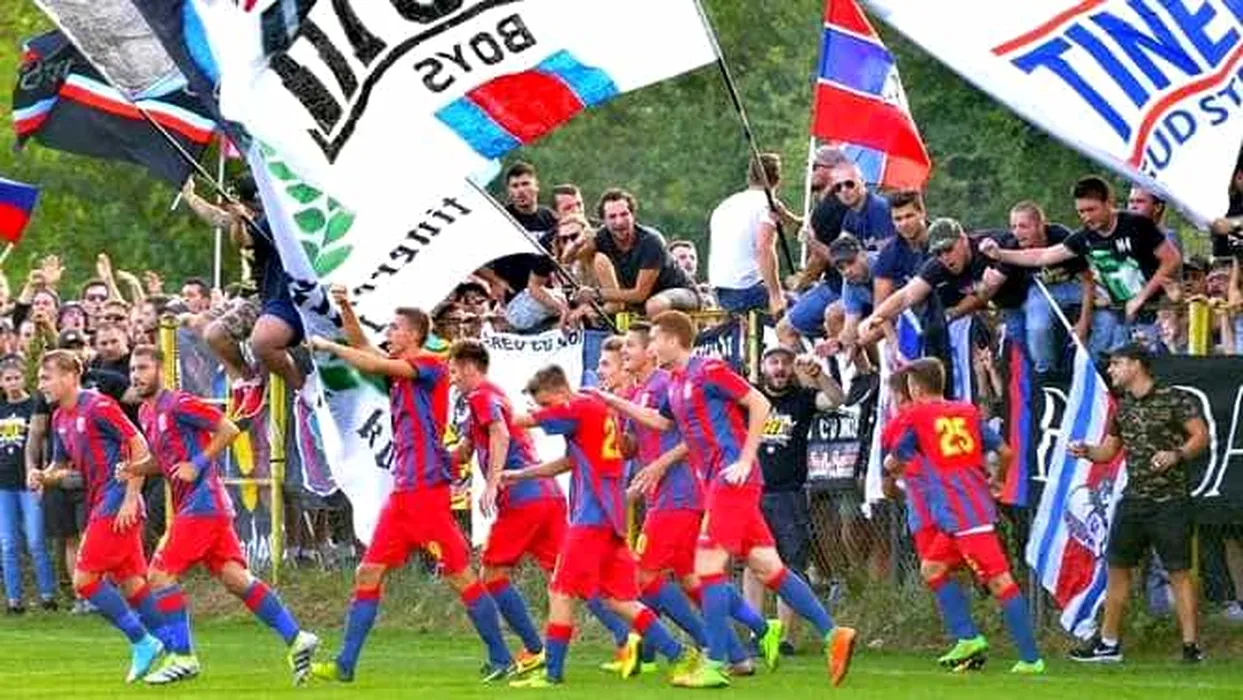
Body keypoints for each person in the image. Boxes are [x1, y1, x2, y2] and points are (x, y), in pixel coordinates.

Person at [597, 311, 857, 688]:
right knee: (769, 568)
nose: (651, 347)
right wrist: (609, 399)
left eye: (653, 339)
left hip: (731, 478)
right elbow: (661, 422)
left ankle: (717, 662)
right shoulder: (676, 382)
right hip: (718, 483)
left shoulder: (709, 370)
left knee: (707, 568)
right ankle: (834, 634)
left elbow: (759, 403)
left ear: (672, 339)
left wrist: (746, 459)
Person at [306, 297, 513, 683]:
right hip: (404, 493)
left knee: (461, 576)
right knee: (368, 573)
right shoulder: (400, 371)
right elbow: (366, 349)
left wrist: (329, 346)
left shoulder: (430, 365)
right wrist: (346, 308)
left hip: (426, 492)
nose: (388, 333)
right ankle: (345, 664)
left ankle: (502, 657)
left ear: (415, 334)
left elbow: (371, 362)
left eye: (395, 327)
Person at [124, 346, 318, 684]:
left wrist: (198, 463)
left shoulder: (179, 403)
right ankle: (297, 637)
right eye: (132, 370)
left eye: (142, 368)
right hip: (200, 507)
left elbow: (228, 429)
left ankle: (183, 657)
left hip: (203, 504)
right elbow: (166, 460)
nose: (136, 376)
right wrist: (135, 468)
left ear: (161, 369)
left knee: (159, 576)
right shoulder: (145, 412)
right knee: (236, 579)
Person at [505, 366, 698, 688]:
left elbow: (520, 420)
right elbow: (570, 462)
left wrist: (490, 407)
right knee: (617, 599)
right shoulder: (592, 412)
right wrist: (521, 474)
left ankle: (552, 674)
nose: (546, 410)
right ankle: (679, 654)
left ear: (560, 392)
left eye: (546, 403)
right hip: (610, 516)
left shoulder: (577, 407)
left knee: (560, 591)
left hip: (591, 518)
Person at [888, 358, 1044, 674]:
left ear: (915, 387)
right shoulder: (967, 411)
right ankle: (968, 638)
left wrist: (892, 468)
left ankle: (1031, 659)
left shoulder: (918, 415)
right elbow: (1006, 452)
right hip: (965, 510)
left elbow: (895, 460)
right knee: (932, 568)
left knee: (1000, 581)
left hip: (964, 515)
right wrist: (998, 480)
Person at [618, 323, 753, 676]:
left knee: (644, 575)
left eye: (631, 345)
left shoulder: (668, 383)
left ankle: (699, 646)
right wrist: (615, 414)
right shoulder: (640, 391)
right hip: (663, 495)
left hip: (679, 493)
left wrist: (660, 464)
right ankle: (737, 654)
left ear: (652, 350)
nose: (623, 352)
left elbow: (691, 436)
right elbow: (631, 446)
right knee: (692, 579)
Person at [26, 351, 166, 683]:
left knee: (84, 581)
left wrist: (131, 498)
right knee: (131, 583)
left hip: (117, 500)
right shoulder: (59, 417)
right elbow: (62, 466)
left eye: (46, 377)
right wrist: (43, 476)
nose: (41, 384)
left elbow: (139, 446)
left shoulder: (99, 406)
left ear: (70, 376)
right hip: (101, 500)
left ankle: (142, 640)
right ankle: (177, 647)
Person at [1068, 343, 1208, 664]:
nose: (1111, 370)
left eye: (1116, 364)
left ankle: (1191, 647)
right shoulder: (1123, 406)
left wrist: (1176, 454)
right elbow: (1108, 451)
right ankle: (1108, 643)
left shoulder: (1173, 398)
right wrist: (1086, 450)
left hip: (1171, 501)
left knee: (1179, 572)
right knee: (1117, 569)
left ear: (1136, 365)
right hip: (1133, 501)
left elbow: (1201, 436)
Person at [446, 339, 569, 676]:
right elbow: (467, 447)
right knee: (568, 576)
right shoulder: (494, 396)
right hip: (547, 494)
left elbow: (499, 435)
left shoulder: (480, 395)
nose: (452, 379)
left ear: (469, 368)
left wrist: (491, 482)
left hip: (522, 496)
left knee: (492, 575)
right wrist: (436, 460)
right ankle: (630, 637)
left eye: (454, 371)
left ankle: (534, 648)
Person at [980, 176, 1182, 353]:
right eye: (1081, 211)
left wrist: (1141, 296)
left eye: (1091, 210)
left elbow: (1172, 259)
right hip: (1120, 313)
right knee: (1104, 361)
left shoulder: (1137, 224)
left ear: (1108, 202)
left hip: (1154, 312)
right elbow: (1041, 256)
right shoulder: (1084, 237)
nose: (1086, 217)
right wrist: (999, 254)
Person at [742, 346, 843, 656]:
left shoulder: (802, 398)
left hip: (790, 494)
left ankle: (785, 638)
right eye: (774, 362)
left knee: (791, 565)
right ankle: (756, 633)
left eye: (786, 363)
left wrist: (819, 375)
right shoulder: (750, 396)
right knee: (753, 564)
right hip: (753, 492)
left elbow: (837, 399)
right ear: (763, 366)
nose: (780, 368)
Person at [184, 176, 306, 422]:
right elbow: (216, 217)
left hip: (265, 295)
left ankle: (254, 380)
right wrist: (190, 196)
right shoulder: (240, 217)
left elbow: (243, 241)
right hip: (245, 294)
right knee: (198, 323)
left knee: (216, 333)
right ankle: (242, 381)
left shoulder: (270, 220)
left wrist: (241, 220)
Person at [780, 156, 895, 345]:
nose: (844, 191)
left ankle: (876, 354)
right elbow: (839, 255)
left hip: (889, 287)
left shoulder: (878, 209)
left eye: (849, 184)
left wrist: (803, 278)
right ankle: (853, 360)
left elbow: (889, 264)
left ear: (862, 181)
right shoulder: (850, 216)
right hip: (859, 284)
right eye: (838, 188)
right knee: (837, 318)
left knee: (835, 317)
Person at [575, 189, 699, 317]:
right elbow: (568, 260)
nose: (619, 222)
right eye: (612, 217)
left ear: (633, 215)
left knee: (654, 305)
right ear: (604, 221)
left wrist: (596, 293)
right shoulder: (602, 237)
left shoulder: (651, 241)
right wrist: (578, 241)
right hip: (643, 300)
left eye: (624, 214)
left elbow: (640, 295)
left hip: (681, 292)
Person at [1009, 202, 1094, 377]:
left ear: (1041, 225)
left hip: (1073, 286)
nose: (1017, 233)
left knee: (1104, 307)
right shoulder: (1011, 245)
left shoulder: (1061, 237)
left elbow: (1088, 280)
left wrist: (1084, 322)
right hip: (1037, 292)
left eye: (1023, 226)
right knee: (1037, 326)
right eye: (1013, 227)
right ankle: (1046, 374)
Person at [0, 355, 56, 613]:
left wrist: (42, 474)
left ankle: (48, 595)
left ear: (25, 378)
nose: (13, 382)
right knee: (8, 544)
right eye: (7, 378)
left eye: (17, 377)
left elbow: (42, 442)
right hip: (4, 486)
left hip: (29, 484)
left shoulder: (34, 405)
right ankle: (14, 600)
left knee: (36, 541)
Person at [708, 153, 787, 316]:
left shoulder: (725, 205)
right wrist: (775, 295)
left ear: (749, 177)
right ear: (778, 179)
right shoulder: (767, 206)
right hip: (746, 290)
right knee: (801, 305)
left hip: (720, 292)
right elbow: (764, 249)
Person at [480, 162, 560, 305]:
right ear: (509, 191)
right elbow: (472, 257)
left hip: (548, 292)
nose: (520, 190)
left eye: (525, 184)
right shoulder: (501, 219)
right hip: (515, 297)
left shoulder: (549, 217)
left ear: (536, 187)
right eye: (515, 186)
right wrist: (496, 281)